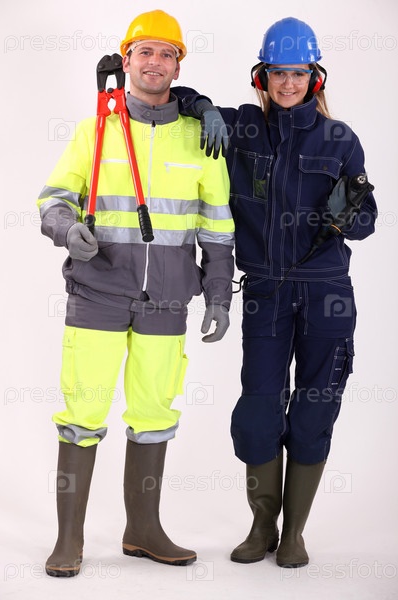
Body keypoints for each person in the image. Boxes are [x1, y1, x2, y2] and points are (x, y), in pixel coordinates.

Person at [37, 9, 234, 577]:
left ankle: (143, 530)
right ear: (126, 61)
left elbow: (218, 228)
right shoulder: (94, 129)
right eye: (144, 51)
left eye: (167, 53)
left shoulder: (202, 138)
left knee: (154, 413)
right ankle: (68, 539)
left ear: (178, 67)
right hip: (97, 291)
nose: (155, 62)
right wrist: (64, 230)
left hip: (167, 300)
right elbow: (53, 198)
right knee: (83, 412)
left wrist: (219, 296)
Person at [174, 16, 377, 568]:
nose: (288, 83)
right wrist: (203, 107)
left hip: (326, 292)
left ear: (315, 78)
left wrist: (349, 212)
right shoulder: (242, 128)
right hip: (265, 292)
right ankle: (262, 526)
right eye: (278, 73)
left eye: (299, 73)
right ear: (261, 76)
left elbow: (368, 223)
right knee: (259, 411)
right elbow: (180, 98)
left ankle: (295, 534)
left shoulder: (340, 139)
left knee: (314, 410)